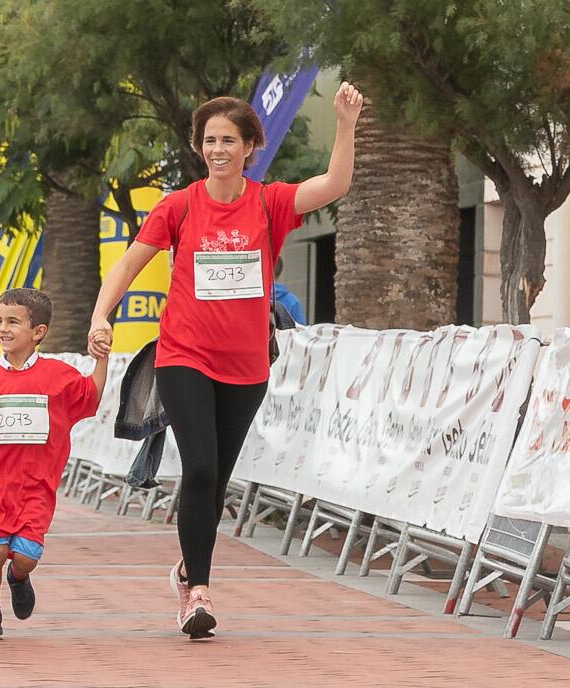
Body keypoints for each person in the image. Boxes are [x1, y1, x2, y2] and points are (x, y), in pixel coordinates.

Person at [89, 83, 365, 639]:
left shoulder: (269, 203)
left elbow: (335, 184)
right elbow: (128, 265)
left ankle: (189, 566)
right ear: (200, 148)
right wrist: (101, 315)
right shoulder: (179, 206)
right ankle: (197, 595)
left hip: (246, 366)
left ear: (250, 147)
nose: (218, 149)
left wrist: (345, 123)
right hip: (184, 355)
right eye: (209, 140)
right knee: (202, 469)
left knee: (217, 483)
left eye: (229, 141)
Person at [0, 287, 108, 641]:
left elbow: (90, 397)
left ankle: (19, 578)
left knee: (24, 557)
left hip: (36, 487)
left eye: (13, 322)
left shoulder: (58, 375)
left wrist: (102, 358)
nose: (3, 329)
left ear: (38, 332)